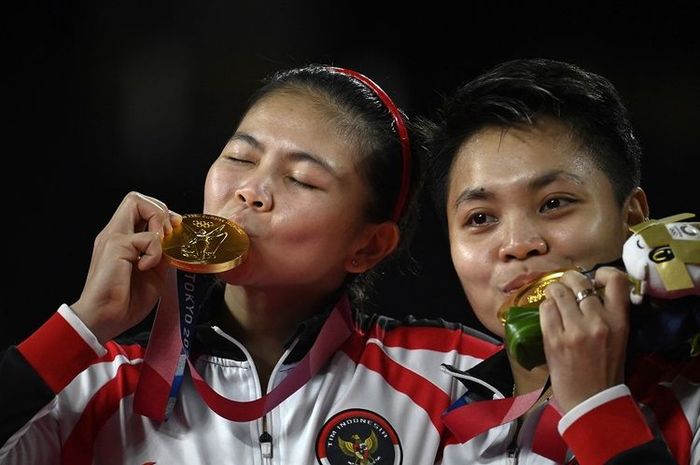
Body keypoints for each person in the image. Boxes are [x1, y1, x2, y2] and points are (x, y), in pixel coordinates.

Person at [0, 64, 502, 465]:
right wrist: (85, 325)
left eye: (302, 179)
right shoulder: (98, 386)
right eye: (241, 158)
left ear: (368, 247)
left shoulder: (459, 377)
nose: (251, 191)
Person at [419, 58, 699, 465]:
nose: (517, 244)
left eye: (554, 204)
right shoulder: (422, 422)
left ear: (633, 217)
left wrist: (597, 406)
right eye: (480, 218)